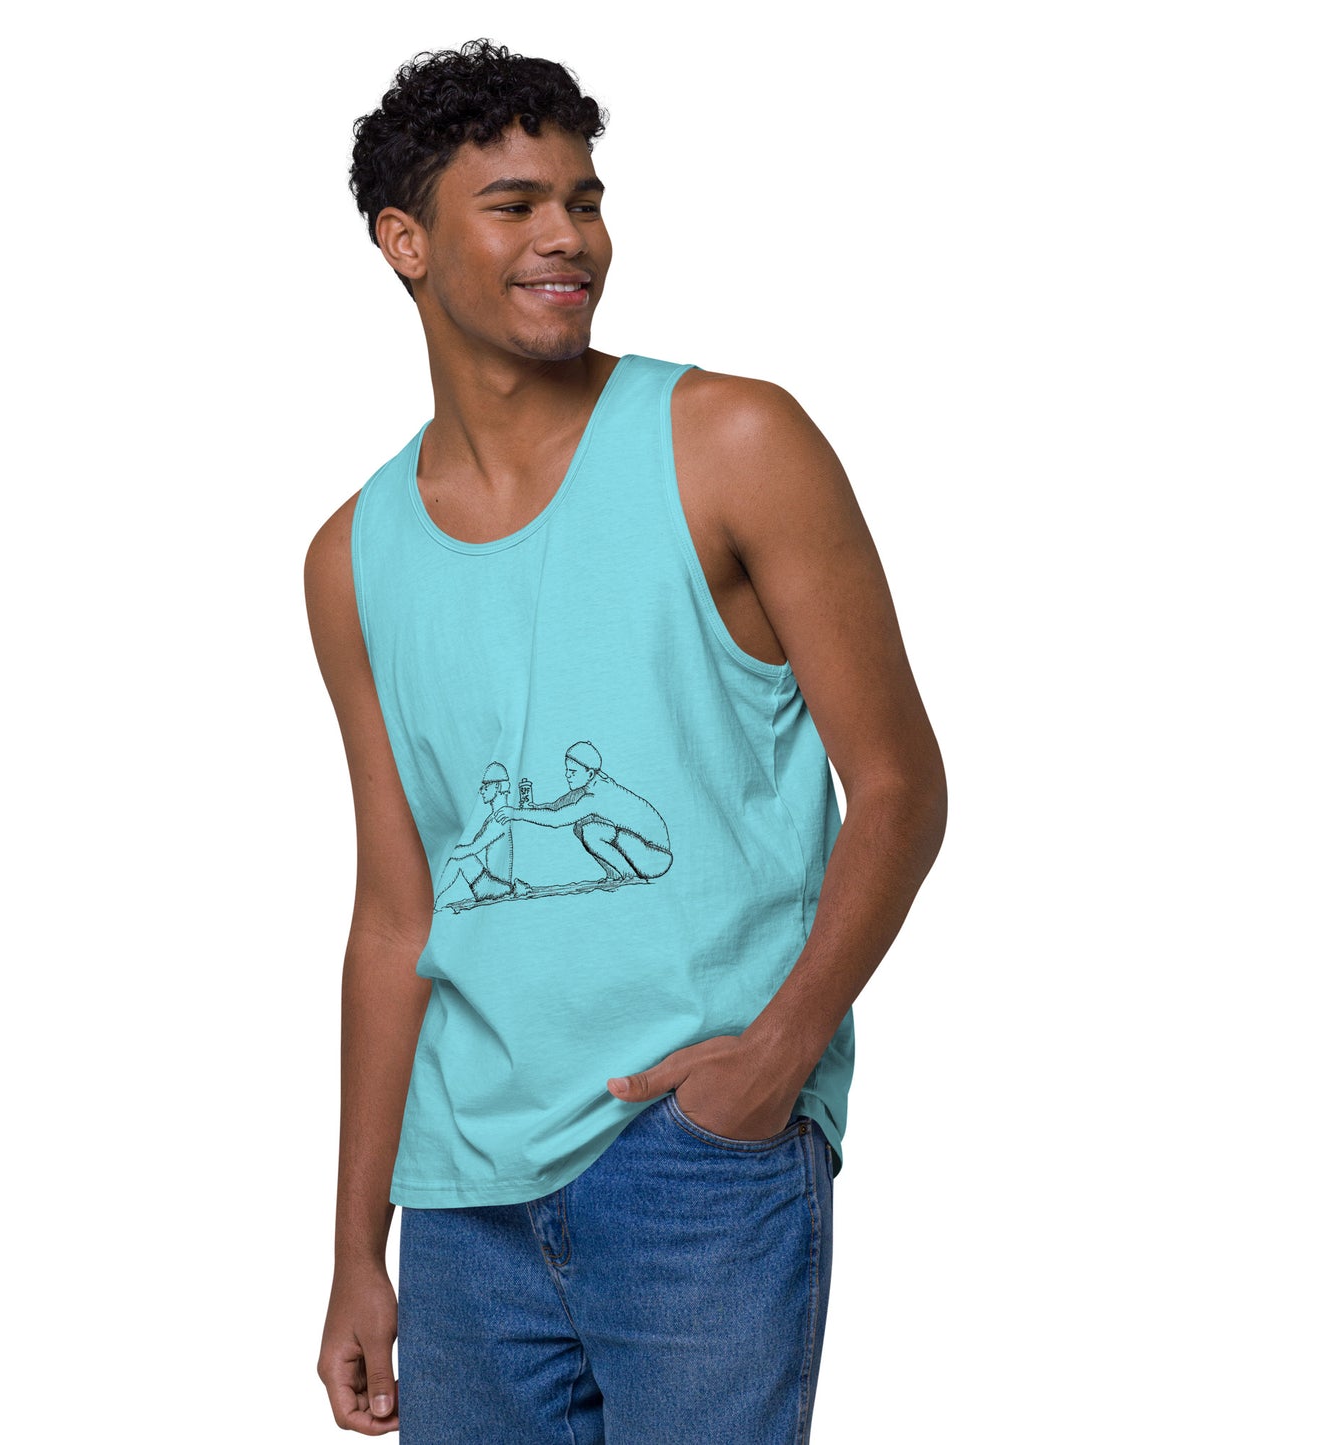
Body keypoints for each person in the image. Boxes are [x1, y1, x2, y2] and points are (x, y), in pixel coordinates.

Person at [305, 37, 946, 1442]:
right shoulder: (351, 557)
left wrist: (773, 1063)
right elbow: (396, 911)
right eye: (516, 205)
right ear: (404, 242)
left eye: (584, 201)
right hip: (461, 1196)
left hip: (694, 1155)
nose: (569, 238)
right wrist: (358, 1243)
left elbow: (900, 787)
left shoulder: (730, 440)